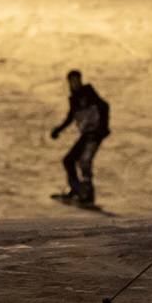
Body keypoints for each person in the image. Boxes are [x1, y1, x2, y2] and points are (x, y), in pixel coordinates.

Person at [51, 70, 110, 205]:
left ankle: (87, 193)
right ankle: (76, 189)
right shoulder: (74, 99)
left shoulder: (88, 92)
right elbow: (70, 117)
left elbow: (104, 106)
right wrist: (58, 130)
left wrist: (103, 127)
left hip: (95, 133)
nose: (74, 83)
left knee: (85, 161)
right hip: (86, 134)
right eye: (72, 81)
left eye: (76, 80)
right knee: (69, 160)